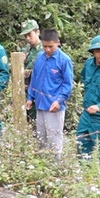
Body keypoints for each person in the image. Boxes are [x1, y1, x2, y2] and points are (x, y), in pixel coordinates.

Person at [26, 29, 74, 160]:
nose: (47, 49)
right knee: (41, 138)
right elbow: (34, 79)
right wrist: (30, 97)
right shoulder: (40, 58)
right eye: (45, 46)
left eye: (50, 46)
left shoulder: (64, 60)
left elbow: (67, 84)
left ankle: (56, 167)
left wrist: (59, 101)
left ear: (58, 43)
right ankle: (42, 166)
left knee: (54, 139)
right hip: (40, 104)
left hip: (54, 106)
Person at [19, 19, 43, 122]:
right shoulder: (24, 50)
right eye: (25, 36)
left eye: (30, 34)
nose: (28, 38)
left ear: (37, 32)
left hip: (38, 92)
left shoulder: (45, 49)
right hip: (24, 92)